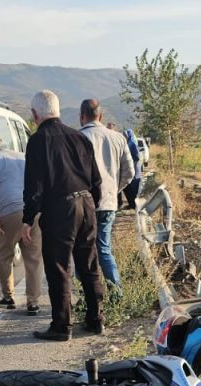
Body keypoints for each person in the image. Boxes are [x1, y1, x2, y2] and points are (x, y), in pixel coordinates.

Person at [22, 89, 103, 342]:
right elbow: (96, 180)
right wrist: (91, 205)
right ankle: (96, 320)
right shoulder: (79, 138)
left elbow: (33, 185)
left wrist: (28, 218)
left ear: (35, 114)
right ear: (57, 110)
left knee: (59, 268)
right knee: (89, 265)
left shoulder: (38, 141)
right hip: (87, 203)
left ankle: (61, 326)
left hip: (60, 208)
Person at [78, 99, 134, 293]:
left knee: (82, 251)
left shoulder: (78, 138)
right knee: (104, 248)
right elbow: (130, 172)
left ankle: (87, 296)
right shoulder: (118, 138)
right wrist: (114, 189)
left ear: (81, 116)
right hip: (108, 202)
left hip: (83, 204)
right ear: (100, 116)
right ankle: (116, 292)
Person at [0, 146, 42, 314]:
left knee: (4, 254)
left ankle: (8, 297)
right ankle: (33, 303)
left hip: (9, 210)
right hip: (33, 210)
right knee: (33, 258)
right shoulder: (23, 157)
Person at [122, 127, 142, 210]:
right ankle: (131, 204)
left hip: (134, 168)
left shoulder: (133, 144)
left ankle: (134, 205)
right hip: (129, 168)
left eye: (126, 135)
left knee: (133, 187)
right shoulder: (127, 144)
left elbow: (137, 157)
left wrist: (131, 163)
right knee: (127, 187)